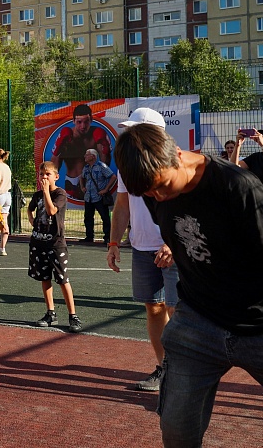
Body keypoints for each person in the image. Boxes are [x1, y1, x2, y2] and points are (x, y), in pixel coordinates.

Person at [115, 123, 263, 446]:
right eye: (149, 193)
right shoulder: (152, 188)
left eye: (163, 186)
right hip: (199, 320)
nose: (159, 197)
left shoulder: (236, 185)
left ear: (176, 155)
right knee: (176, 430)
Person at [105, 107, 179, 392]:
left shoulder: (173, 163)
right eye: (128, 129)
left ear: (154, 133)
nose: (128, 134)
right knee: (154, 307)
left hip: (173, 249)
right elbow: (122, 205)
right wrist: (114, 242)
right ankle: (164, 368)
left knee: (177, 309)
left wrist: (172, 242)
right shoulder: (128, 164)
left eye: (134, 129)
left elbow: (187, 209)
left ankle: (185, 371)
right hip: (141, 247)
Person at [28, 161, 83, 333]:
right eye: (41, 174)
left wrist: (46, 191)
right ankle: (50, 313)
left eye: (48, 174)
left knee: (62, 279)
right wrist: (31, 220)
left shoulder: (60, 194)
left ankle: (73, 315)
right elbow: (30, 209)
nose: (44, 177)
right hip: (38, 242)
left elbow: (51, 211)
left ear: (56, 177)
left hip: (55, 244)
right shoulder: (37, 195)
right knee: (44, 278)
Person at [50, 103, 112, 200]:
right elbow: (53, 166)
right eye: (79, 122)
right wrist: (58, 150)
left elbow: (105, 164)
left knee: (94, 207)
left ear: (91, 120)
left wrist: (105, 150)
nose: (83, 126)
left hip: (92, 182)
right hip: (71, 184)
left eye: (86, 122)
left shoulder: (96, 134)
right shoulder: (66, 136)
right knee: (68, 206)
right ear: (73, 121)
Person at [80, 147, 116, 243]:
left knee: (105, 217)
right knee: (88, 217)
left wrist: (106, 189)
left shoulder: (101, 166)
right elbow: (81, 177)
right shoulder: (86, 167)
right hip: (88, 197)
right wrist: (82, 187)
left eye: (87, 154)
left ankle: (107, 237)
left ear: (93, 156)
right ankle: (89, 237)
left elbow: (113, 177)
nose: (85, 156)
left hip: (99, 197)